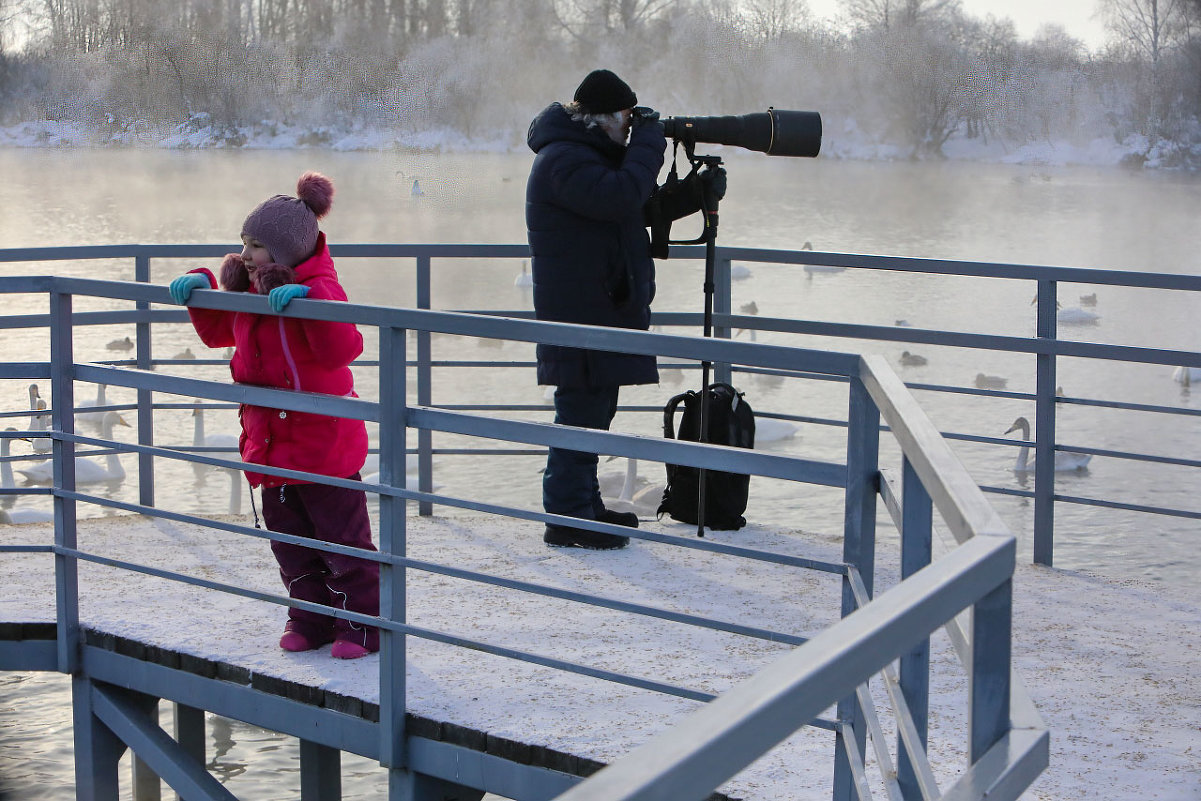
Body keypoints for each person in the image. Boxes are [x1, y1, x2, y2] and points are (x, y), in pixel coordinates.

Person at [168, 172, 379, 659]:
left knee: (342, 541)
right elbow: (221, 333)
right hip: (270, 443)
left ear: (286, 253)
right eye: (243, 241)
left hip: (323, 445)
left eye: (257, 245)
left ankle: (362, 625)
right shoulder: (252, 289)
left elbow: (343, 349)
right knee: (290, 542)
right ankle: (310, 618)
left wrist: (311, 308)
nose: (245, 253)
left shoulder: (320, 288)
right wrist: (201, 289)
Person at [525, 69, 723, 550]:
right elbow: (618, 197)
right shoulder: (564, 159)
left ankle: (584, 509)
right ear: (606, 118)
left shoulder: (584, 157)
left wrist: (688, 196)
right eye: (629, 120)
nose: (633, 129)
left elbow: (626, 209)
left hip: (597, 307)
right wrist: (651, 143)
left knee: (594, 413)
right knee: (579, 413)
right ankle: (568, 519)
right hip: (581, 313)